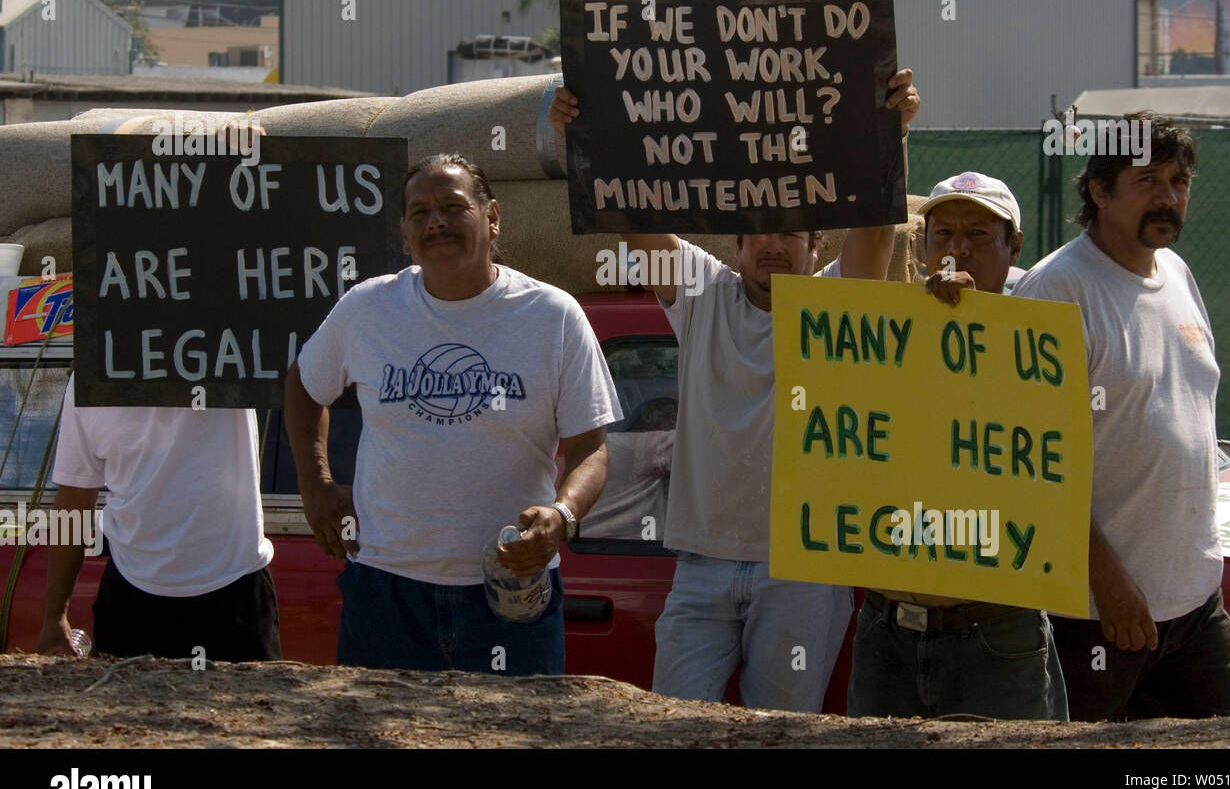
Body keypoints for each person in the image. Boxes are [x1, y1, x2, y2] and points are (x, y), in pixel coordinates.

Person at [548, 69, 919, 712]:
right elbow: (634, 220)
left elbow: (877, 235)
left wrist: (892, 131)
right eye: (761, 230)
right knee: (674, 729)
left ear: (815, 245)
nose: (775, 244)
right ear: (738, 241)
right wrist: (585, 134)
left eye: (791, 232)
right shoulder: (702, 295)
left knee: (779, 735)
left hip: (804, 573)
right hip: (699, 566)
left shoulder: (837, 305)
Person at [283, 153, 621, 674]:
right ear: (404, 233)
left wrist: (561, 517)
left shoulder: (552, 317)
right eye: (419, 212)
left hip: (508, 593)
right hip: (384, 592)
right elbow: (304, 387)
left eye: (452, 206)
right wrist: (316, 483)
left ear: (492, 218)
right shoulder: (367, 308)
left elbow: (589, 448)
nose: (435, 221)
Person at [1015, 114, 1230, 720]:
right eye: (1147, 179)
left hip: (1196, 604)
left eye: (1179, 180)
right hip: (1098, 617)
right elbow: (1031, 466)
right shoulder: (1057, 292)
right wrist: (1110, 586)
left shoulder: (1175, 273)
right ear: (1099, 191)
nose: (1169, 196)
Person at [847, 172, 1068, 720]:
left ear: (1014, 246)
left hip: (997, 630)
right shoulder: (887, 329)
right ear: (921, 247)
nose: (957, 248)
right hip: (886, 627)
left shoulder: (1043, 338)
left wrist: (978, 335)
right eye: (941, 234)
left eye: (978, 234)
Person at [37, 374, 281, 662]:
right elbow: (74, 500)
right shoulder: (94, 370)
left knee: (251, 705)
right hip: (132, 596)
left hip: (236, 587)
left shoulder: (227, 350)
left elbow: (303, 368)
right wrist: (55, 614)